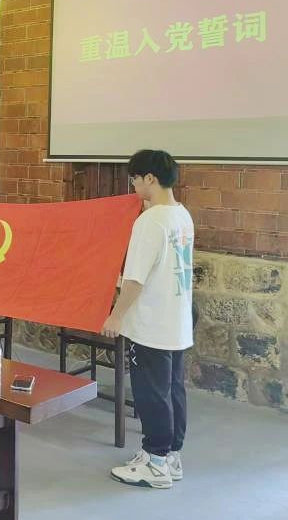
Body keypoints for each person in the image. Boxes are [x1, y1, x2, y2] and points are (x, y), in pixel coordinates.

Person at [103, 149, 194, 490]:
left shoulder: (149, 221)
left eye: (135, 179)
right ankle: (170, 456)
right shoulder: (181, 215)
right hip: (176, 320)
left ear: (150, 179)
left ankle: (155, 463)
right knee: (173, 390)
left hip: (152, 324)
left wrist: (116, 315)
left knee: (151, 394)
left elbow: (135, 279)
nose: (133, 186)